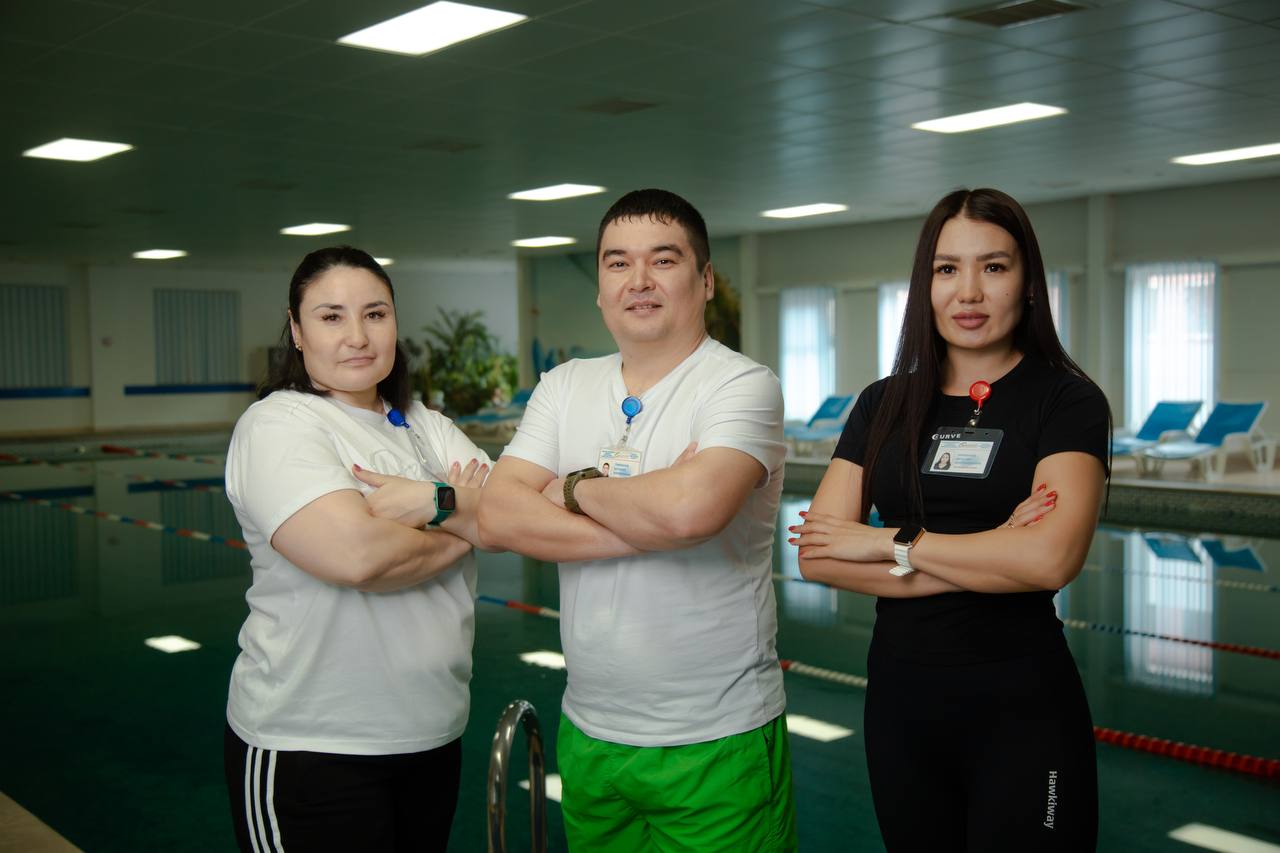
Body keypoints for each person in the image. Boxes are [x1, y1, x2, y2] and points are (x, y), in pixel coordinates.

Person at [789, 188, 1108, 851]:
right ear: (924, 285)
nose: (969, 291)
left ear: (1028, 283)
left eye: (993, 266)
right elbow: (817, 554)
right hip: (901, 706)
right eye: (947, 269)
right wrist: (997, 550)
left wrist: (888, 541)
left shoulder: (1067, 401)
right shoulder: (882, 404)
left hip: (1022, 705)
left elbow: (1050, 559)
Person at [478, 189, 798, 852]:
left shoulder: (741, 385)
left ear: (705, 280)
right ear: (601, 286)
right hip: (591, 731)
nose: (639, 280)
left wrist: (569, 487)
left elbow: (689, 510)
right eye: (618, 262)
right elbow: (500, 513)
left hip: (715, 736)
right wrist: (651, 519)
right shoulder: (564, 385)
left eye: (664, 260)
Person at [222, 246, 490, 853]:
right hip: (312, 743)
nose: (358, 337)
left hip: (431, 733)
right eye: (331, 316)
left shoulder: (424, 424)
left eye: (375, 314)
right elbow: (359, 559)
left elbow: (517, 515)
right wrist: (461, 513)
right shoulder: (279, 425)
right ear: (296, 330)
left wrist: (432, 508)